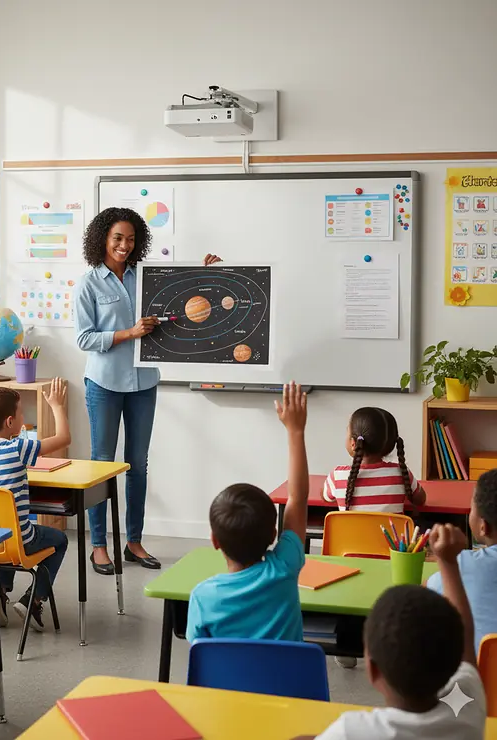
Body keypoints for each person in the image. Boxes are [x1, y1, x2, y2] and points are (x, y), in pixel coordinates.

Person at [75, 206, 221, 573]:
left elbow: (179, 303)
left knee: (137, 465)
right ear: (103, 240)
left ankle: (134, 542)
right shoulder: (88, 283)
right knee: (101, 466)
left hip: (143, 382)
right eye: (117, 238)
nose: (124, 245)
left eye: (131, 239)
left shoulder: (146, 277)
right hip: (104, 383)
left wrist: (205, 276)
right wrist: (129, 333)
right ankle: (97, 545)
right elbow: (84, 338)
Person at [302, 524, 486, 740]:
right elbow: (465, 640)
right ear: (453, 663)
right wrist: (448, 563)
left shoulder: (351, 731)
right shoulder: (469, 706)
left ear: (372, 669)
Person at [186, 382, 308, 642]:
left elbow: (201, 653)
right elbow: (297, 499)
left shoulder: (203, 597)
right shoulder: (285, 569)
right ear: (274, 533)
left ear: (214, 541)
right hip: (287, 684)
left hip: (224, 685)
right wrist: (295, 431)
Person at [0, 378, 70, 631]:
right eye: (21, 412)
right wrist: (57, 405)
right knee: (59, 540)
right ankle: (33, 600)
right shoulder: (18, 448)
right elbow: (64, 438)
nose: (24, 416)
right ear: (10, 422)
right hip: (18, 540)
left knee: (2, 532)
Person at [428, 469, 497, 654]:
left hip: (477, 680)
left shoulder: (461, 565)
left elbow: (429, 589)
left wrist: (445, 559)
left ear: (484, 527)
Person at [323, 407, 426, 512]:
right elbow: (421, 499)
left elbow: (326, 498)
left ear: (353, 443)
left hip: (350, 529)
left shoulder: (337, 475)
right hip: (390, 529)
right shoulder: (401, 473)